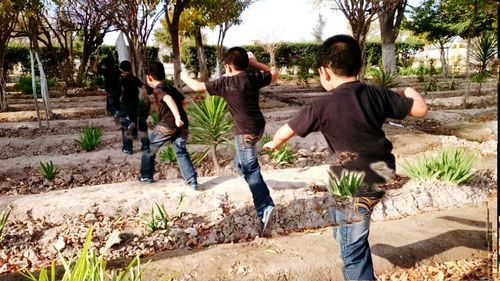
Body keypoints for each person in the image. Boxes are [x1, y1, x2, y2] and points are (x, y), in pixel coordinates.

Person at [263, 35, 428, 280]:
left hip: (353, 185)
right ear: (359, 67)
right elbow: (420, 109)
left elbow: (284, 132)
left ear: (325, 72)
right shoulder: (377, 94)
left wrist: (274, 143)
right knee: (343, 220)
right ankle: (348, 232)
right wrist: (407, 90)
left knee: (353, 253)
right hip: (381, 174)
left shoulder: (321, 106)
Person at [180, 47, 279, 235]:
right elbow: (274, 74)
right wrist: (255, 63)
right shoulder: (253, 78)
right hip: (258, 127)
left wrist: (182, 75)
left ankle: (265, 207)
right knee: (242, 160)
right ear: (246, 64)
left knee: (251, 169)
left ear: (227, 66)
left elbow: (196, 87)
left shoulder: (226, 83)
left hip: (244, 131)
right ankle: (240, 169)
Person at [138, 61, 198, 190]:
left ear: (149, 77)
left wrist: (176, 117)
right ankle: (192, 181)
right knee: (181, 151)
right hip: (182, 125)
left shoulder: (158, 89)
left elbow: (169, 99)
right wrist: (179, 116)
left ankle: (146, 175)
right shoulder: (170, 86)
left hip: (169, 124)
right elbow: (183, 102)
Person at [117, 60, 149, 154]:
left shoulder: (121, 80)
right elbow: (143, 86)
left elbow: (119, 92)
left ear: (123, 71)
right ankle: (145, 146)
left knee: (125, 125)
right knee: (135, 122)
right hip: (136, 104)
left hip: (125, 105)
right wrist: (145, 97)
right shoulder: (135, 78)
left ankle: (128, 148)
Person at [92, 56, 122, 123]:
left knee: (109, 106)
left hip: (110, 91)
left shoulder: (105, 71)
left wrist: (97, 61)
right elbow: (123, 74)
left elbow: (94, 69)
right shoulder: (116, 70)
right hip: (118, 90)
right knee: (117, 105)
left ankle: (116, 114)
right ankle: (119, 120)